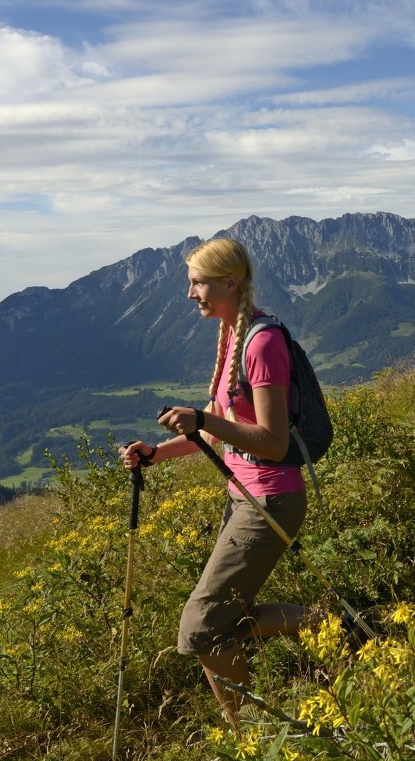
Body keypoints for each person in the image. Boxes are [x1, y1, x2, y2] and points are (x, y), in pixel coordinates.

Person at [118, 237, 310, 729]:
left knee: (202, 626)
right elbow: (223, 427)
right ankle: (330, 627)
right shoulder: (230, 334)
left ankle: (253, 733)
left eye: (197, 283)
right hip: (245, 496)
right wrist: (158, 453)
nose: (190, 294)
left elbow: (270, 441)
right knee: (228, 617)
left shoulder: (262, 341)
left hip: (269, 499)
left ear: (230, 282)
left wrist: (201, 418)